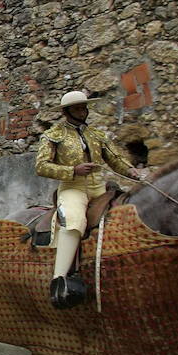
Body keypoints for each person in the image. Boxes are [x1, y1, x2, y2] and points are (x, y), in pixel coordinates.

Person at [35, 91, 146, 309]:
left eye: (84, 107)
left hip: (99, 188)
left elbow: (115, 159)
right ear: (66, 112)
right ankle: (59, 281)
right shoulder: (53, 135)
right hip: (73, 188)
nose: (82, 111)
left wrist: (133, 172)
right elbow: (41, 166)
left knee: (126, 212)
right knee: (75, 220)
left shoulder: (96, 134)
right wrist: (72, 170)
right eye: (77, 108)